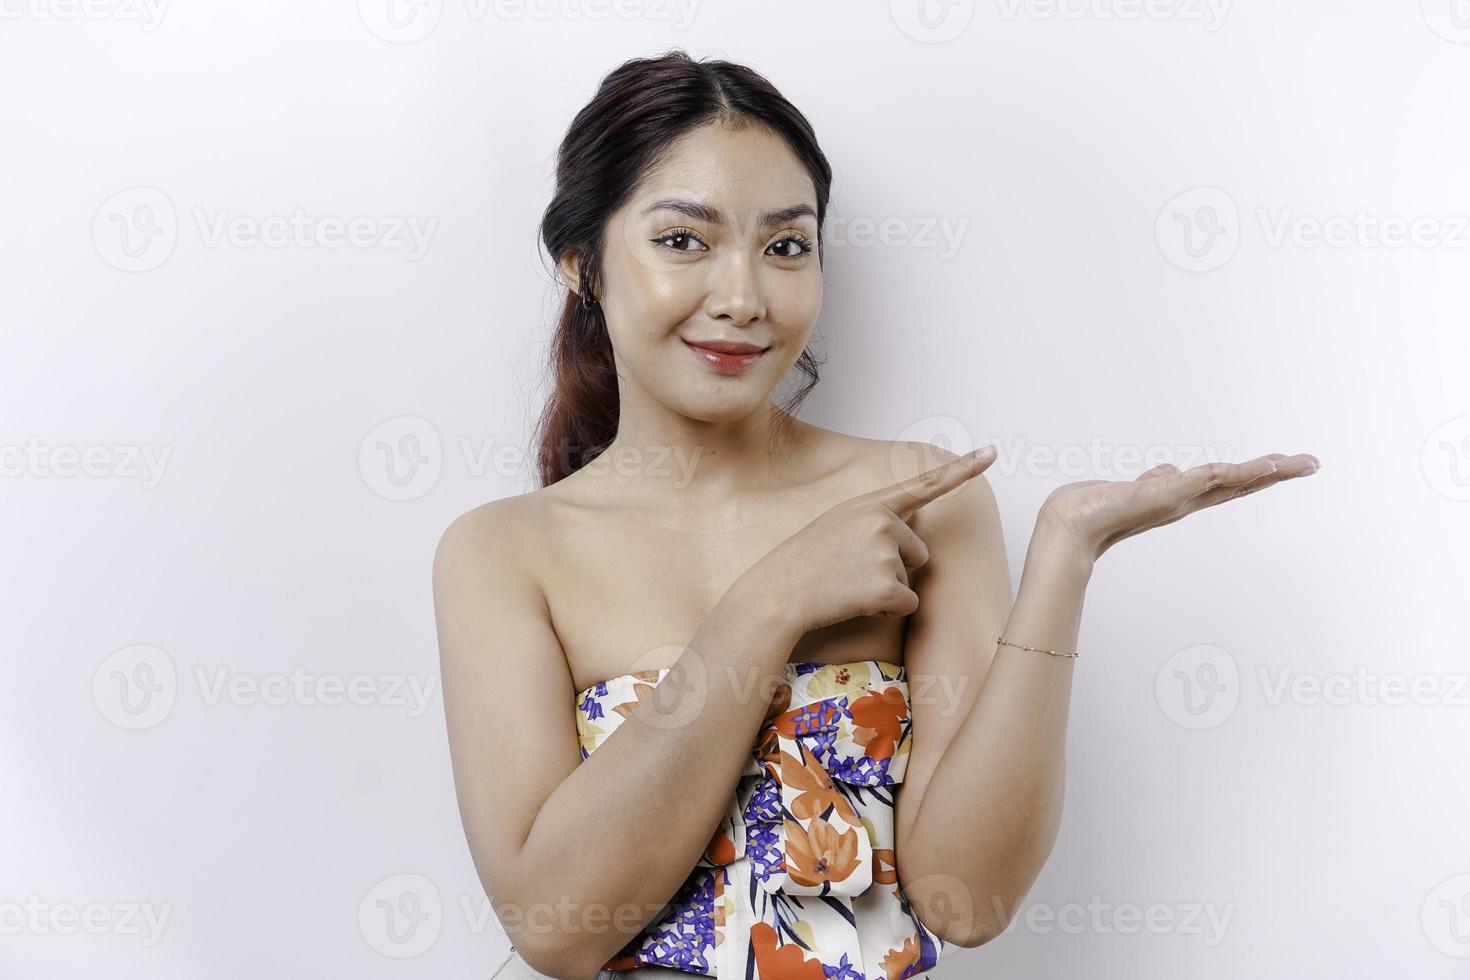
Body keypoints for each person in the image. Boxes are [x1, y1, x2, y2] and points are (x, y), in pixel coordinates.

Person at [432, 48, 1320, 980]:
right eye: (683, 240)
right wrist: (769, 604)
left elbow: (965, 900)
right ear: (583, 265)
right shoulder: (504, 553)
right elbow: (555, 928)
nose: (741, 298)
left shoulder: (926, 505)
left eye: (784, 246)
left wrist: (1065, 555)